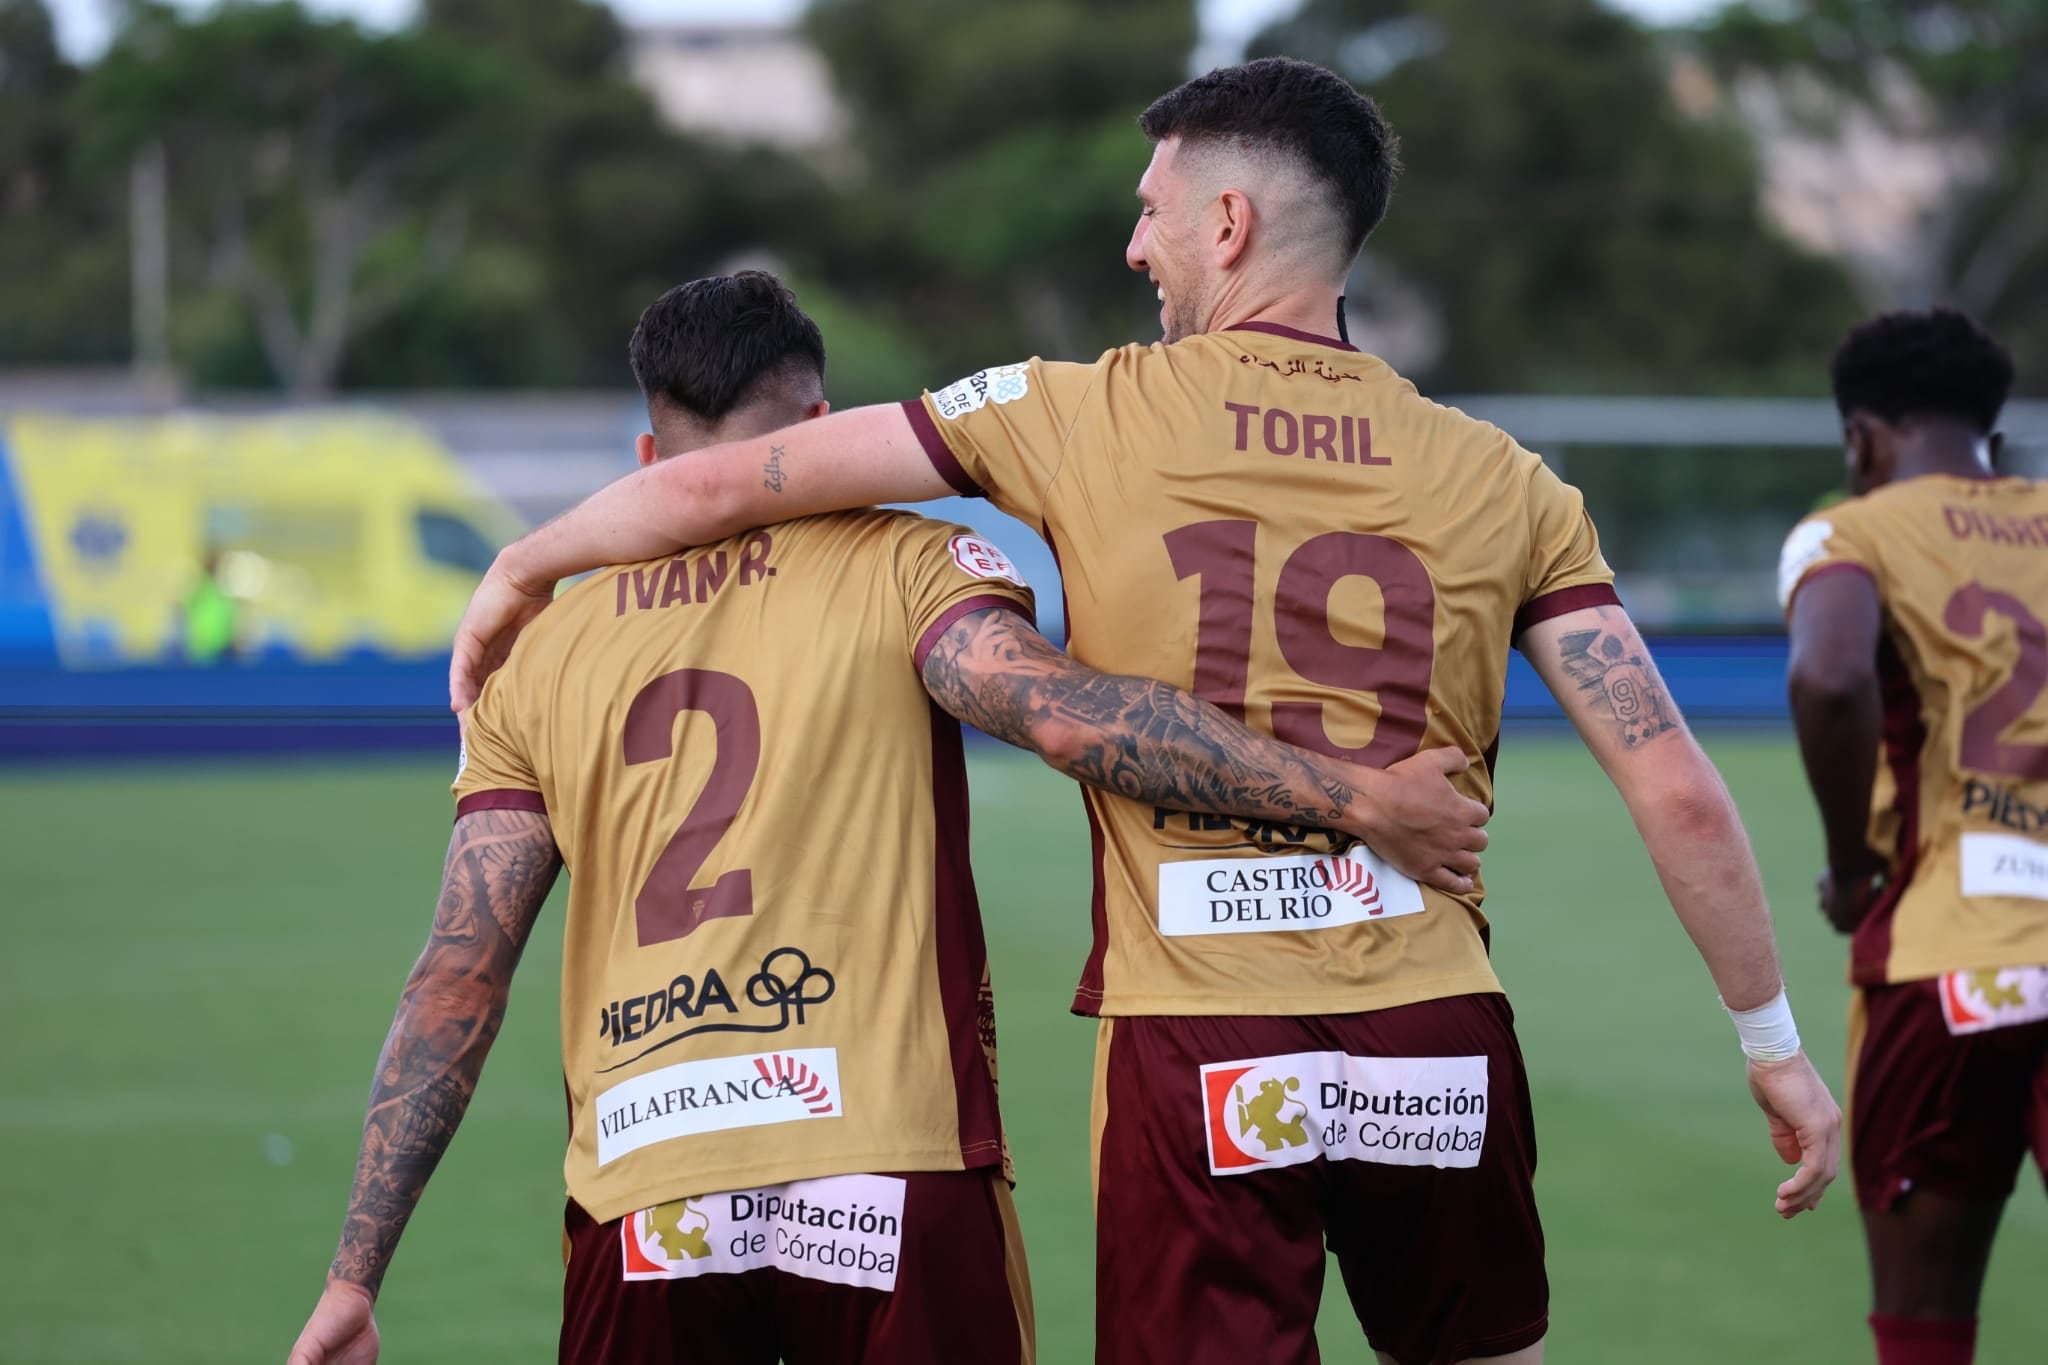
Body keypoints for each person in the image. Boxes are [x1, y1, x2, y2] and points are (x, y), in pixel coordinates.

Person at [449, 61, 1842, 1365]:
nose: (1135, 248)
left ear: (1228, 223)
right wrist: (1773, 1046)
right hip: (1436, 1027)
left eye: (1152, 212)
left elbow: (731, 483)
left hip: (1197, 1043)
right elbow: (1677, 788)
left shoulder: (1075, 411)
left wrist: (523, 564)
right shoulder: (1507, 478)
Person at [286, 271, 1489, 1365]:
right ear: (819, 434)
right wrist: (1356, 798)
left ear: (652, 449)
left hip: (649, 1198)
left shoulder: (543, 659)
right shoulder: (912, 566)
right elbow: (1065, 718)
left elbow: (458, 976)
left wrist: (354, 1277)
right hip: (894, 1174)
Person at [1781, 309, 2047, 1365]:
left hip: (1943, 959)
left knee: (1923, 1322)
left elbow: (1830, 675)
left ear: (1859, 438)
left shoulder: (1848, 529)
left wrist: (1850, 867)